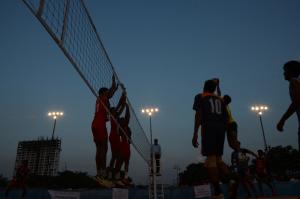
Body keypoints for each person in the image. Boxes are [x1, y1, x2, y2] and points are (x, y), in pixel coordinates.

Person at [192, 79, 230, 198]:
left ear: (204, 86)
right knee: (218, 159)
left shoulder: (200, 96)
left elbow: (198, 114)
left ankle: (218, 192)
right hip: (221, 129)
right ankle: (232, 181)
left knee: (211, 160)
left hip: (209, 128)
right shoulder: (220, 99)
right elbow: (226, 117)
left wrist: (195, 133)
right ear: (214, 88)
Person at [91, 74, 118, 180]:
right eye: (107, 92)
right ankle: (102, 173)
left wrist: (114, 88)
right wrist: (113, 83)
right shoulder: (103, 97)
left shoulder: (100, 99)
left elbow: (111, 93)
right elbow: (110, 93)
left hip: (95, 124)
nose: (108, 94)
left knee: (99, 149)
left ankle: (99, 172)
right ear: (103, 93)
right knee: (104, 149)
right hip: (100, 124)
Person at [277, 60, 300, 150]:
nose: (283, 73)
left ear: (291, 71)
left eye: (285, 71)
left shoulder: (294, 82)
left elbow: (297, 101)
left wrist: (282, 120)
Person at [108, 89, 126, 180]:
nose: (115, 109)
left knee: (116, 156)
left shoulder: (115, 115)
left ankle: (113, 173)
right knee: (116, 155)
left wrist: (124, 95)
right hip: (113, 136)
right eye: (113, 109)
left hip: (115, 136)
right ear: (112, 111)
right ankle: (113, 173)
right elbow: (120, 105)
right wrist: (124, 93)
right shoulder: (113, 115)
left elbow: (121, 106)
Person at [115, 103, 133, 186]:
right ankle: (118, 177)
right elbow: (126, 117)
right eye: (121, 120)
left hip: (127, 147)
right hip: (122, 146)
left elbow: (127, 117)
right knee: (119, 162)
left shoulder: (126, 126)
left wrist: (127, 107)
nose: (123, 120)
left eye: (123, 119)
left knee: (126, 162)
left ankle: (125, 178)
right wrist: (125, 107)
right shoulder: (121, 127)